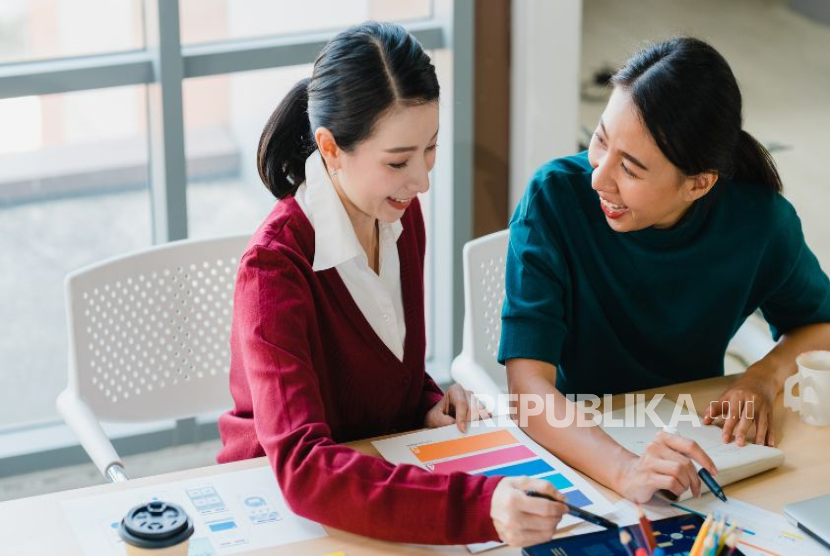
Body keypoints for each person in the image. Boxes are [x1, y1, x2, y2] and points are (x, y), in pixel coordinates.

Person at [217, 22, 567, 547]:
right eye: (398, 160)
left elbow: (382, 361)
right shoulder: (273, 270)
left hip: (378, 474)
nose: (422, 179)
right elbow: (303, 466)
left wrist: (424, 400)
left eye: (430, 149)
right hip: (282, 513)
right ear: (331, 148)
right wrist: (480, 506)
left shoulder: (399, 215)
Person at [500, 37, 830, 504]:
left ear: (698, 184)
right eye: (600, 139)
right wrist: (625, 469)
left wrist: (764, 376)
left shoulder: (760, 222)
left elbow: (821, 324)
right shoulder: (553, 199)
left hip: (697, 442)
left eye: (630, 169)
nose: (599, 177)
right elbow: (527, 388)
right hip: (579, 445)